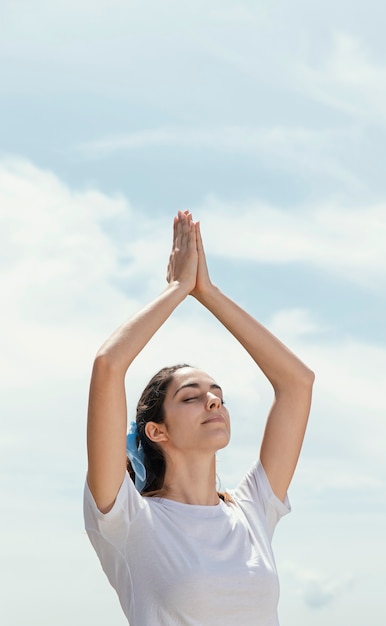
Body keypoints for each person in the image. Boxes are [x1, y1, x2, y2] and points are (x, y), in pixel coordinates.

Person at [84, 210, 315, 625]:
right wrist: (178, 289)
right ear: (156, 431)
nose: (213, 402)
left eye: (217, 395)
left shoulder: (251, 512)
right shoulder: (129, 520)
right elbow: (108, 366)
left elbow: (298, 382)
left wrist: (208, 292)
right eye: (191, 397)